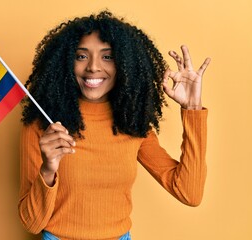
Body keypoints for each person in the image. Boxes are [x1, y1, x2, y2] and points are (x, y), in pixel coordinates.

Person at [18, 11, 211, 240]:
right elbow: (31, 223)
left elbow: (189, 193)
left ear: (124, 64)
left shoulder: (132, 124)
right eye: (81, 56)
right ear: (66, 62)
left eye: (107, 57)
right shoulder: (44, 126)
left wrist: (192, 109)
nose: (93, 67)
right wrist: (48, 169)